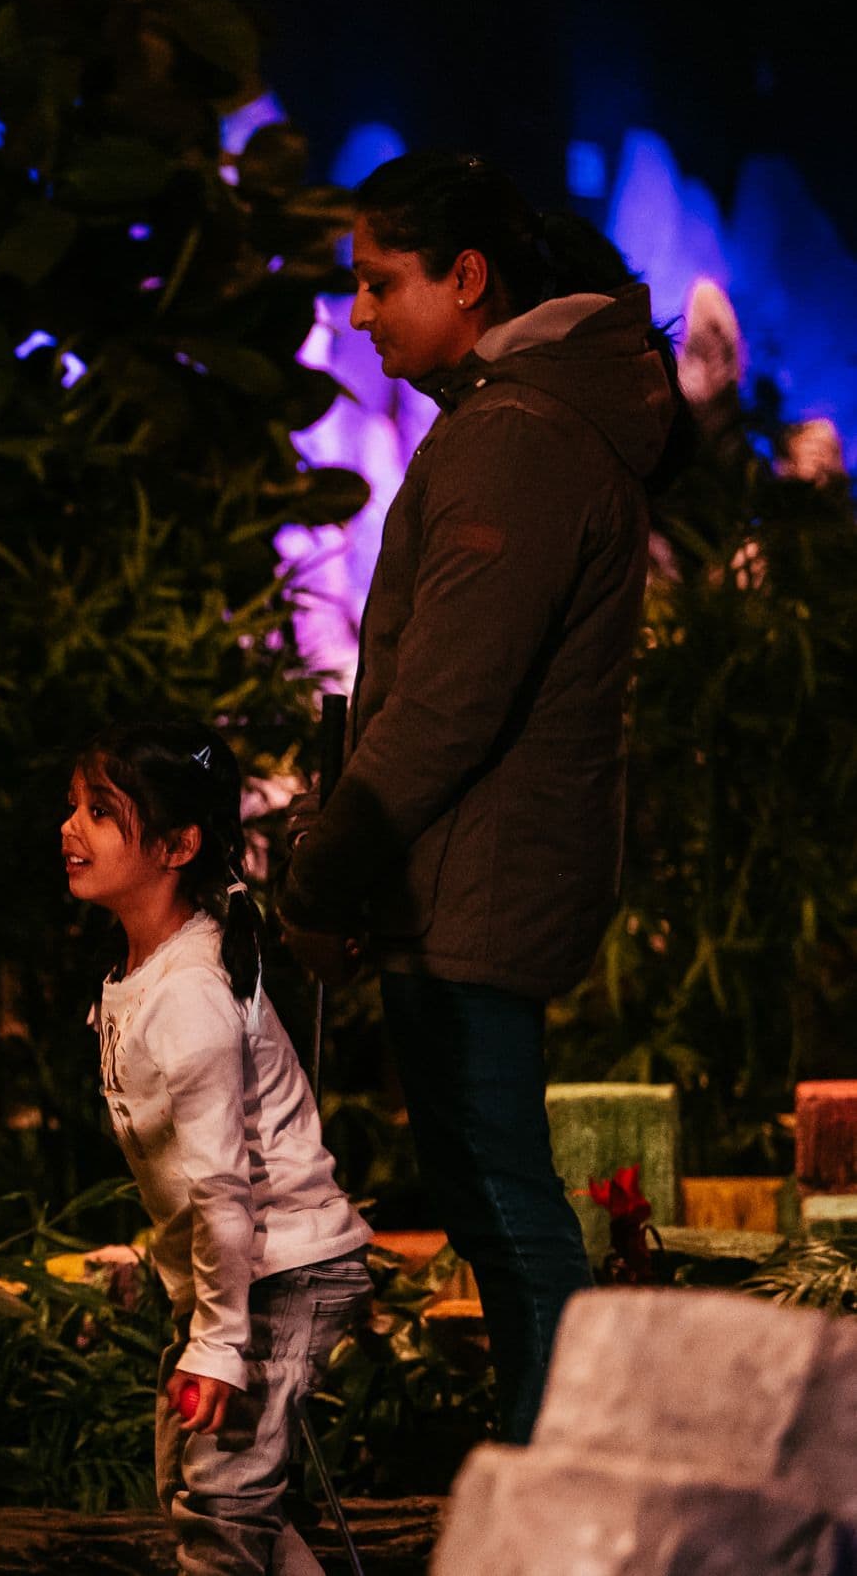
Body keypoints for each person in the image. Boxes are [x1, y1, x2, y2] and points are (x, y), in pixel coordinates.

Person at [280, 151, 683, 1441]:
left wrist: (325, 864)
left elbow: (447, 701)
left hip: (474, 874)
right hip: (465, 869)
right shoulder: (515, 421)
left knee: (503, 1196)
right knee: (486, 1188)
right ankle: (544, 1453)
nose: (357, 314)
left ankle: (562, 1461)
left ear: (466, 279)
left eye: (377, 281)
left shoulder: (513, 439)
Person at [65, 722, 374, 1576]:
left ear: (177, 844)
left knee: (220, 1501)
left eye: (99, 811)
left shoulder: (193, 993)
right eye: (74, 808)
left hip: (280, 1266)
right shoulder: (144, 974)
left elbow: (220, 1189)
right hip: (245, 1271)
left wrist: (219, 1341)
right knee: (207, 1491)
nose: (69, 829)